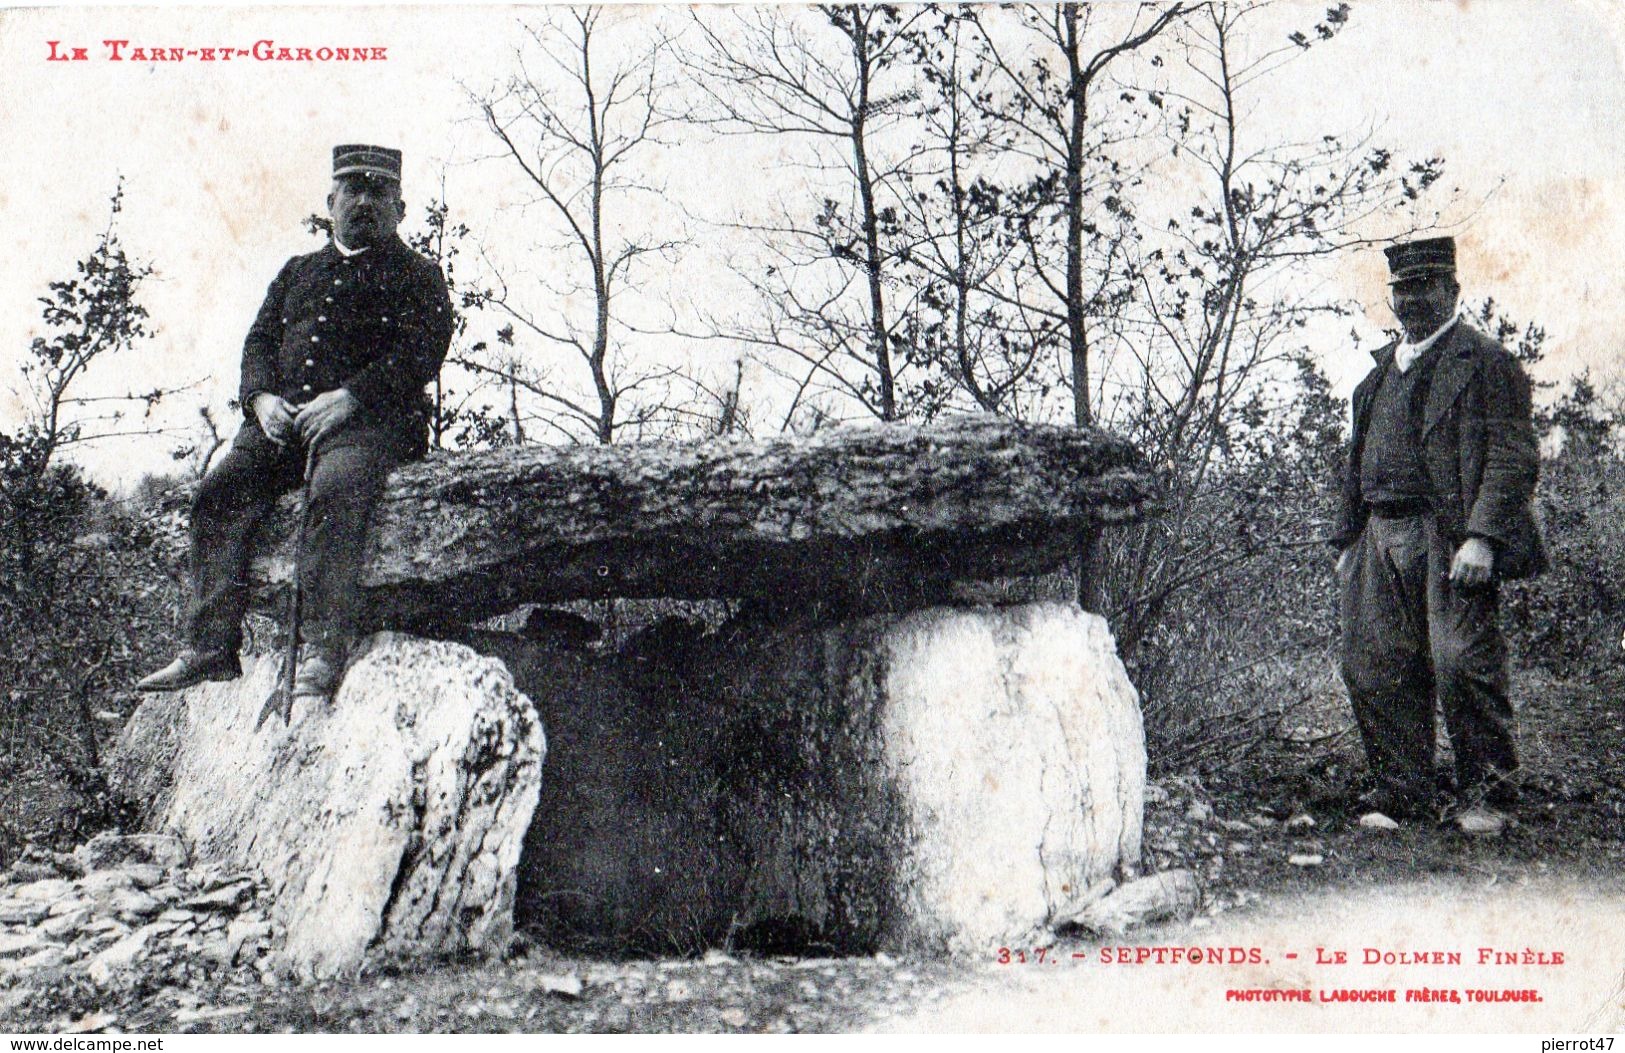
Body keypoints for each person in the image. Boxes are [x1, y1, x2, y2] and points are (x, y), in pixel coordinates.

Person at [136, 144, 453, 707]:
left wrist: (352, 397)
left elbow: (421, 353)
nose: (364, 203)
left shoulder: (419, 276)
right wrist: (259, 399)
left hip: (370, 425)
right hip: (281, 425)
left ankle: (323, 648)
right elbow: (259, 340)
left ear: (399, 209)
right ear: (330, 202)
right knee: (220, 490)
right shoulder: (297, 272)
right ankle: (210, 646)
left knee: (335, 491)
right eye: (352, 190)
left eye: (378, 193)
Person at [1330, 236, 1546, 837]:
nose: (1413, 299)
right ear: (1393, 298)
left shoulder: (1487, 362)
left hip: (1448, 534)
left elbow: (1512, 455)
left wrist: (1481, 538)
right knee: (1373, 662)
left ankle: (1491, 797)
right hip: (1377, 532)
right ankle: (1403, 793)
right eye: (1403, 289)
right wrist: (1347, 544)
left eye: (1426, 286)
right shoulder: (1375, 378)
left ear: (1453, 290)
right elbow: (1356, 463)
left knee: (1460, 661)